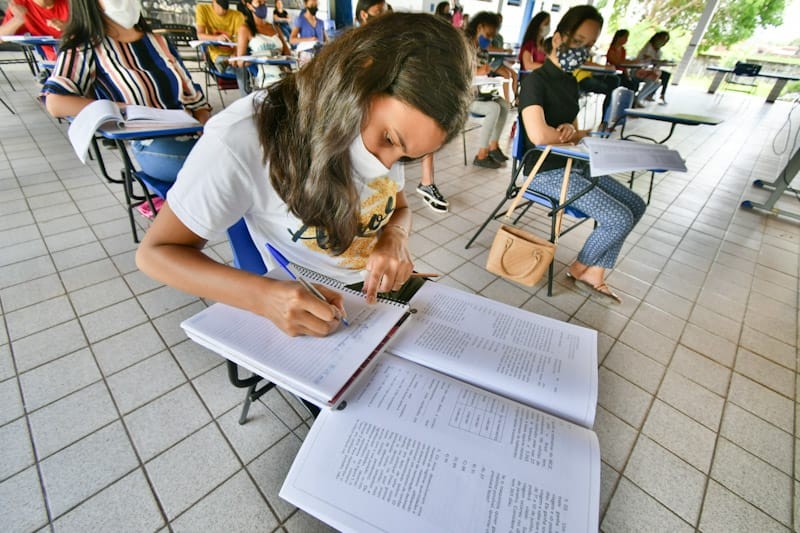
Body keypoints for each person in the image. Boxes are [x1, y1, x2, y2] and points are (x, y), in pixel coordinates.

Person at [135, 13, 473, 337]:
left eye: (406, 157)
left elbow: (398, 209)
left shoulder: (392, 128)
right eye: (388, 140)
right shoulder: (244, 139)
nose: (385, 166)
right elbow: (156, 253)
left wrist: (394, 238)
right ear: (360, 71)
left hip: (379, 290)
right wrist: (265, 297)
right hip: (316, 300)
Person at [519, 5, 646, 303]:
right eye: (577, 42)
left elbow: (571, 131)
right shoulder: (535, 81)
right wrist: (573, 133)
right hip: (542, 172)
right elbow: (540, 136)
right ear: (558, 39)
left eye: (588, 45)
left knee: (635, 205)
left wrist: (574, 133)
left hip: (572, 166)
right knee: (618, 218)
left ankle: (594, 272)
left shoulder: (569, 81)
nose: (582, 50)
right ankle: (579, 268)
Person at [42, 0, 210, 184]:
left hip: (192, 133)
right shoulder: (84, 45)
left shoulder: (159, 42)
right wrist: (115, 108)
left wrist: (206, 128)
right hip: (151, 144)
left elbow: (196, 101)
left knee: (235, 160)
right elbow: (55, 103)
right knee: (220, 170)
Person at [466, 12, 509, 169]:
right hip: (464, 97)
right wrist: (477, 71)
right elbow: (457, 72)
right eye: (488, 35)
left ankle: (493, 146)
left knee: (504, 105)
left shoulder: (482, 49)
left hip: (480, 94)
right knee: (493, 108)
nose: (489, 40)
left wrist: (485, 72)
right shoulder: (463, 45)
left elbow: (482, 72)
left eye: (493, 37)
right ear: (479, 27)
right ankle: (481, 155)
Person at [231, 0, 290, 91]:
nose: (262, 5)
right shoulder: (245, 29)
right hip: (267, 80)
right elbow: (240, 61)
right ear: (249, 6)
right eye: (258, 2)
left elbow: (287, 53)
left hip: (284, 75)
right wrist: (259, 58)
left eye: (264, 2)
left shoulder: (275, 28)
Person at [195, 0, 247, 95]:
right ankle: (246, 97)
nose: (223, 11)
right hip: (217, 56)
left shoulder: (237, 15)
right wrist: (217, 38)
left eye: (225, 8)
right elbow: (200, 35)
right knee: (241, 67)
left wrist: (235, 55)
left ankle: (249, 97)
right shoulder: (203, 9)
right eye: (220, 7)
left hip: (235, 55)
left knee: (244, 64)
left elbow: (240, 40)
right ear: (213, 2)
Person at [0, 0, 69, 60]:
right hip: (56, 57)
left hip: (75, 50)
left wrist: (68, 27)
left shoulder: (72, 3)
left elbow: (79, 30)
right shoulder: (20, 4)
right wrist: (17, 19)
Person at [606, 29, 659, 106]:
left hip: (623, 73)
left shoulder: (623, 50)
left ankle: (632, 103)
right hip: (614, 73)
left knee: (633, 83)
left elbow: (624, 64)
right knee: (628, 83)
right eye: (625, 37)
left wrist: (628, 75)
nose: (626, 40)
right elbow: (617, 62)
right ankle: (631, 103)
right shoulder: (612, 49)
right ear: (619, 37)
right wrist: (631, 62)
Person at [637, 31, 671, 104]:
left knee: (658, 81)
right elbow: (649, 60)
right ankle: (638, 98)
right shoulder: (648, 47)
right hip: (640, 70)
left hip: (650, 70)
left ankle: (642, 97)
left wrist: (660, 62)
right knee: (654, 78)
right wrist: (660, 62)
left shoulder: (658, 51)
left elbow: (656, 64)